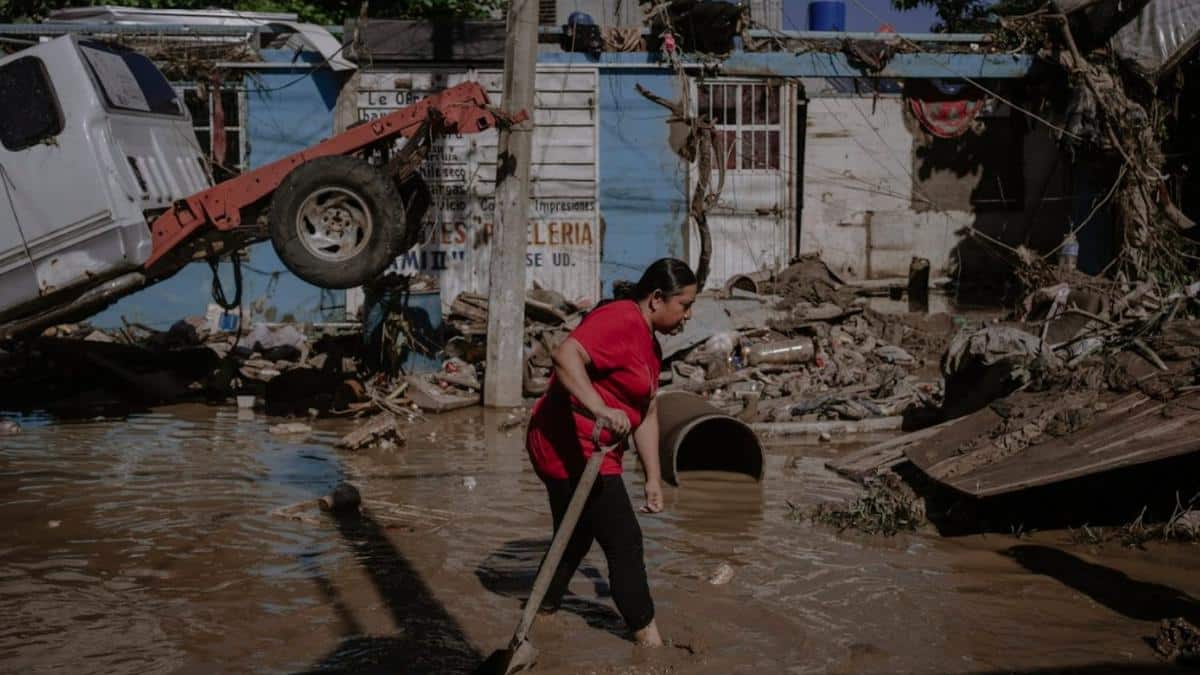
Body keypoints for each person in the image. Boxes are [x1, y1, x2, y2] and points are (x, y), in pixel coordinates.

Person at [525, 257, 698, 647]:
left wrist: (652, 477)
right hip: (565, 443)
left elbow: (647, 411)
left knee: (576, 536)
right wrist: (599, 408)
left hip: (598, 449)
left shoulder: (651, 346)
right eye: (684, 305)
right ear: (656, 299)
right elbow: (565, 356)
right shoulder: (621, 317)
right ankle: (649, 644)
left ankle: (542, 613)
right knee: (625, 541)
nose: (688, 316)